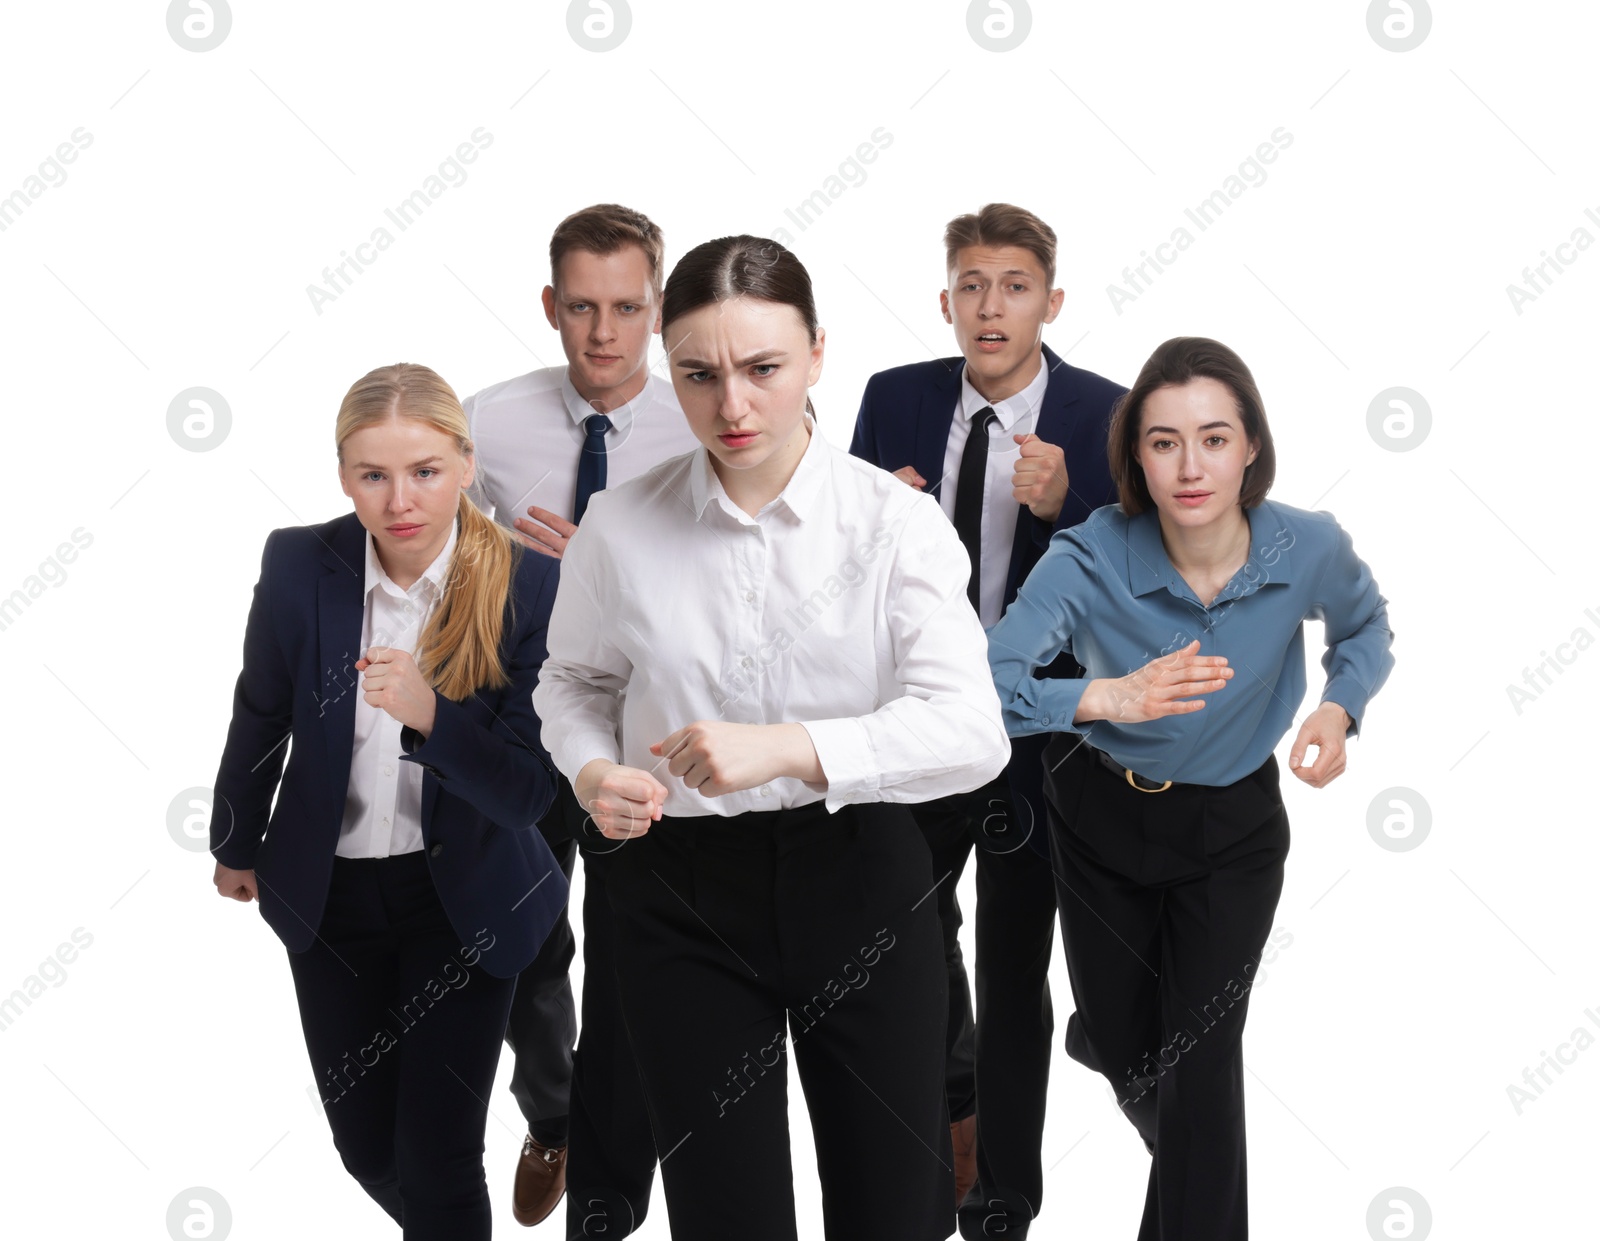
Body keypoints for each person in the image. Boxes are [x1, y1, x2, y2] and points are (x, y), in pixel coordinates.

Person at [532, 234, 1012, 1241]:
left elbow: (971, 729)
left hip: (863, 872)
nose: (733, 407)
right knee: (724, 1214)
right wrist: (590, 767)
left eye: (763, 369)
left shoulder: (894, 525)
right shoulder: (619, 526)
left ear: (818, 354)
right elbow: (575, 680)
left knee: (894, 1208)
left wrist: (793, 746)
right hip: (677, 894)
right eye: (699, 376)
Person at [986, 336, 1395, 1240]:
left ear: (1251, 446)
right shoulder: (1093, 554)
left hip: (1232, 832)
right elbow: (990, 678)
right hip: (1097, 819)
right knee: (1145, 1059)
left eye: (1214, 438)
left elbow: (1364, 626)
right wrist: (1103, 694)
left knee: (1201, 1071)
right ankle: (1108, 1035)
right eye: (1164, 441)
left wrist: (1340, 707)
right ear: (1136, 454)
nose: (1190, 464)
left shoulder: (1307, 545)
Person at [208, 362, 570, 1240]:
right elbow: (261, 707)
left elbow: (527, 790)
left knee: (439, 1155)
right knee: (368, 1148)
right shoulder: (300, 562)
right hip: (330, 894)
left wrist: (429, 716)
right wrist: (236, 837)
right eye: (373, 474)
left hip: (465, 897)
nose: (400, 499)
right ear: (344, 475)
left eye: (425, 471)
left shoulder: (529, 584)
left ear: (466, 463)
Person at [850, 202, 1125, 1238]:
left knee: (1016, 962)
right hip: (918, 716)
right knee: (904, 937)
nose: (989, 305)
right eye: (970, 284)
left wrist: (1068, 513)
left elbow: (1144, 592)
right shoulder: (895, 400)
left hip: (1038, 735)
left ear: (1049, 302)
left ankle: (1001, 1194)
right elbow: (831, 564)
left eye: (1011, 285)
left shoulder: (1107, 415)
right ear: (944, 300)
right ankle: (949, 1117)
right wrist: (880, 517)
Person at [461, 202, 697, 1234]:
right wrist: (510, 562)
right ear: (551, 306)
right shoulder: (487, 421)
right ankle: (554, 1112)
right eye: (583, 308)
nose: (604, 333)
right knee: (522, 939)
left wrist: (605, 553)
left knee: (636, 950)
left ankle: (609, 1175)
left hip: (645, 721)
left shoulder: (705, 415)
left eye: (627, 308)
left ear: (656, 310)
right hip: (516, 719)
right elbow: (429, 567)